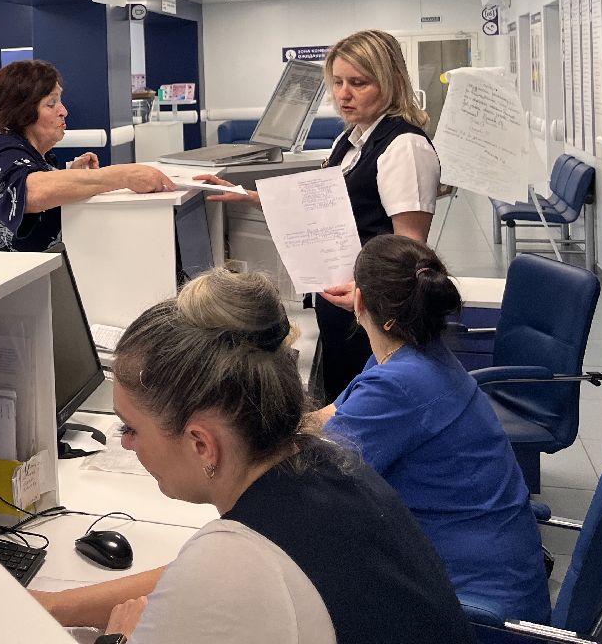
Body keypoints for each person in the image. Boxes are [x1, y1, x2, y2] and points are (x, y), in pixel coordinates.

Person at [32, 268, 474, 643]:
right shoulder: (326, 466)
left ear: (202, 443)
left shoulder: (236, 561)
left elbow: (217, 574)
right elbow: (196, 576)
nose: (126, 444)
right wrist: (55, 607)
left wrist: (119, 637)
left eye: (131, 428)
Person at [313, 235, 549, 622]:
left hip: (474, 613)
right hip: (497, 575)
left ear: (358, 301)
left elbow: (315, 483)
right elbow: (331, 416)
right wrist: (272, 418)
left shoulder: (398, 385)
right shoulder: (413, 354)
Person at [201, 29, 440, 401]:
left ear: (391, 82)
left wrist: (366, 293)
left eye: (358, 83)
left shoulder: (404, 146)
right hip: (342, 299)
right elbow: (322, 204)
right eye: (338, 82)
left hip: (375, 309)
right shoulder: (350, 139)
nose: (343, 94)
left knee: (364, 404)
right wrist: (246, 195)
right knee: (342, 392)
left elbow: (411, 246)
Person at [0, 60, 176, 252]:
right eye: (51, 103)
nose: (63, 111)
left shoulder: (21, 151)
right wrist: (124, 176)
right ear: (20, 110)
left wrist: (70, 177)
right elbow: (31, 192)